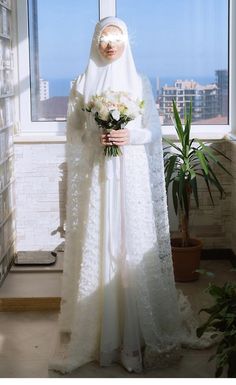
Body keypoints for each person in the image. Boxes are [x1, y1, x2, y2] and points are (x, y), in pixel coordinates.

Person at [48, 16, 211, 375]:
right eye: (104, 38)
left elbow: (153, 133)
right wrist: (98, 137)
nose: (109, 45)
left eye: (115, 38)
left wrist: (128, 137)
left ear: (125, 43)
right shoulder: (81, 83)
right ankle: (102, 332)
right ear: (95, 42)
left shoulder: (138, 83)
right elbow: (74, 133)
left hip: (130, 176)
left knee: (130, 243)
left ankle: (137, 329)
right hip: (98, 177)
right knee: (102, 242)